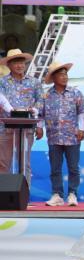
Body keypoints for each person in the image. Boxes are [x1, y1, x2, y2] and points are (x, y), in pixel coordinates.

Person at [39, 61, 84, 207]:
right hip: (54, 137)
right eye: (61, 74)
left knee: (73, 167)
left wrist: (82, 129)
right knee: (55, 168)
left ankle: (72, 194)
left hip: (72, 137)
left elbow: (82, 112)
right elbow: (41, 115)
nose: (64, 77)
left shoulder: (75, 92)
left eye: (65, 74)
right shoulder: (46, 95)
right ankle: (57, 195)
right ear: (53, 78)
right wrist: (39, 127)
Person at [0, 49, 43, 177]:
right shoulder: (2, 82)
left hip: (27, 128)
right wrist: (11, 110)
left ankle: (24, 195)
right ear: (9, 65)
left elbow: (40, 100)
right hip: (5, 128)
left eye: (21, 62)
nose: (19, 65)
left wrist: (35, 111)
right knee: (3, 163)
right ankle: (3, 195)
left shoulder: (34, 82)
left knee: (24, 164)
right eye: (15, 63)